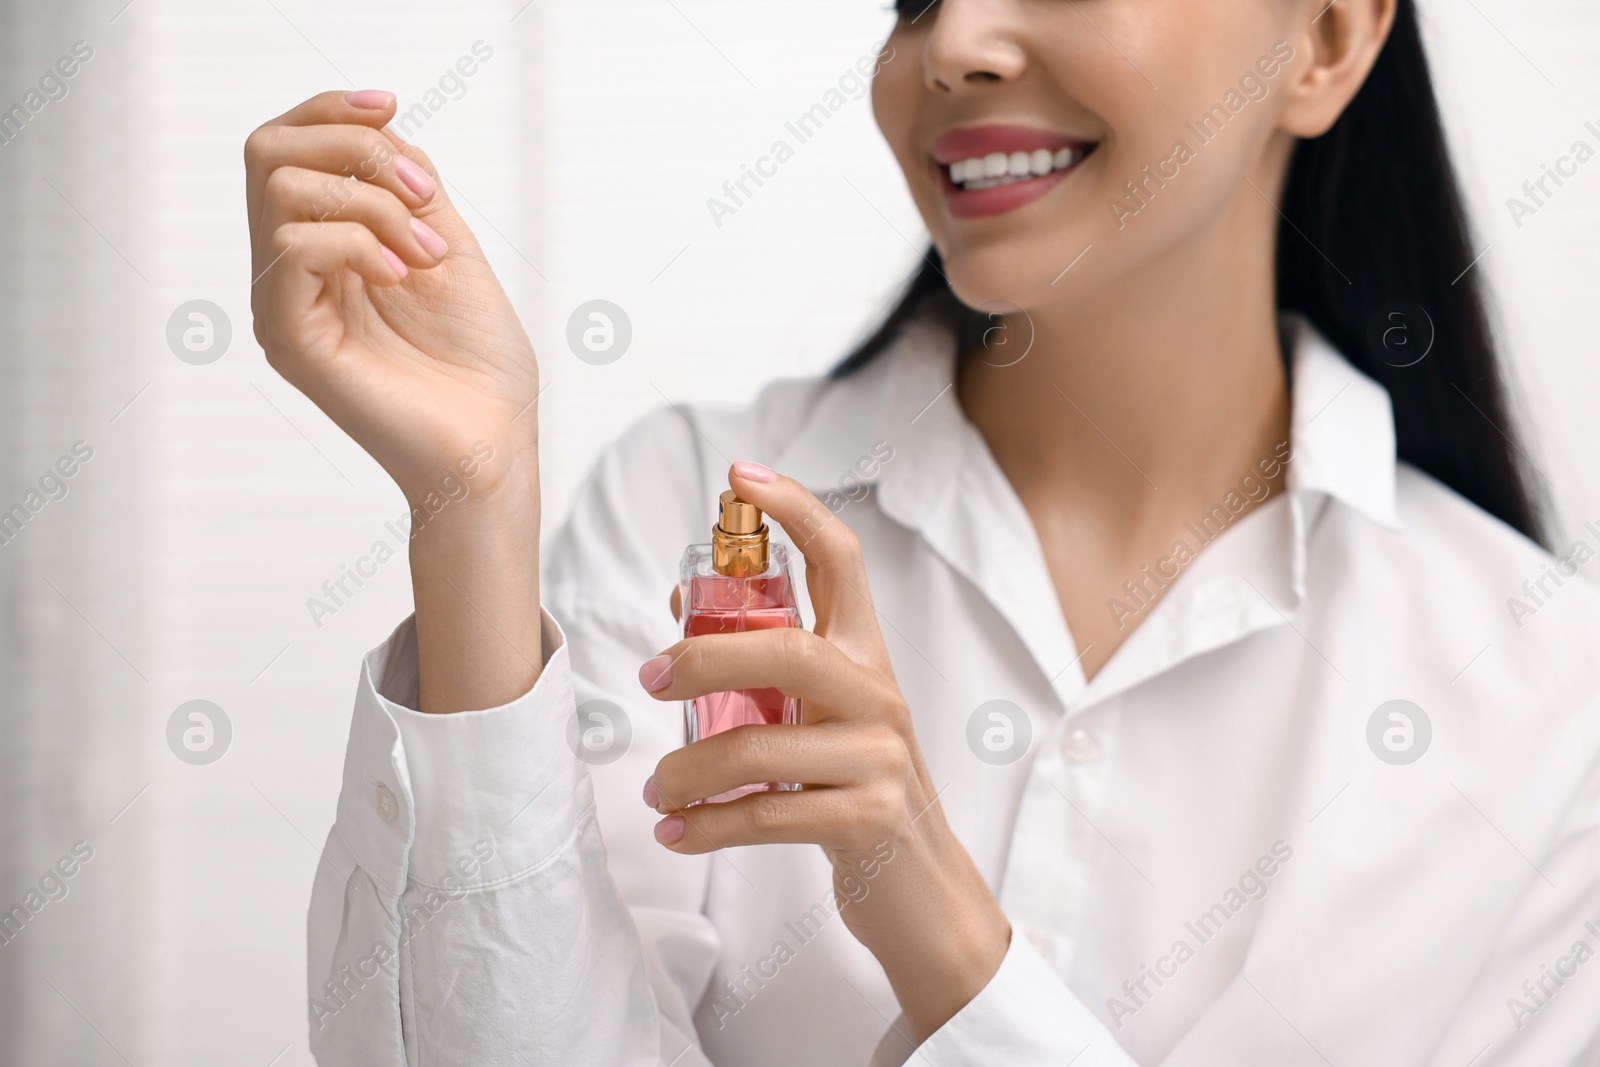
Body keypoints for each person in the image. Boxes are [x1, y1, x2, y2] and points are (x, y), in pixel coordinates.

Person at [243, 0, 1600, 1063]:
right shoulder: (678, 515)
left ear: (1329, 36)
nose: (950, 43)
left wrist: (945, 939)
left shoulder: (1547, 703)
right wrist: (471, 506)